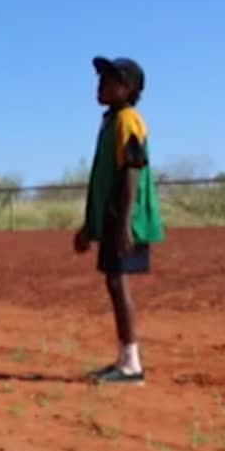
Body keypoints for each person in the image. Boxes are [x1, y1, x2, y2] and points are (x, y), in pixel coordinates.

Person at [74, 56, 165, 384]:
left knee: (117, 282)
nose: (100, 84)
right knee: (114, 282)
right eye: (100, 78)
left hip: (124, 217)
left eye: (109, 80)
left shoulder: (128, 120)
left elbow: (132, 171)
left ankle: (131, 366)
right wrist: (89, 226)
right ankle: (126, 361)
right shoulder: (112, 121)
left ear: (127, 89)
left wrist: (124, 222)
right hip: (114, 217)